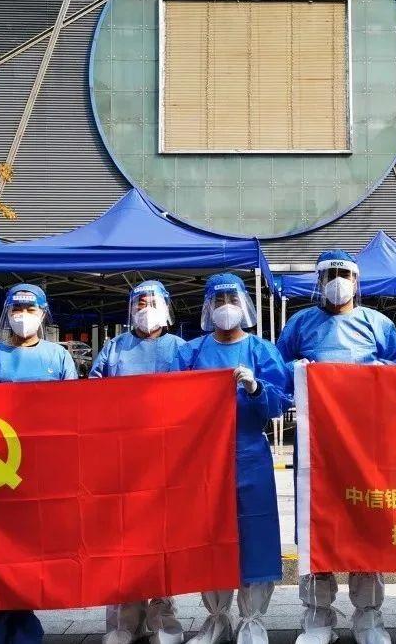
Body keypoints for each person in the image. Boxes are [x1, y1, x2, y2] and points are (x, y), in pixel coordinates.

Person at [276, 250, 396, 644]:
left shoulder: (378, 324)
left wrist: (382, 372)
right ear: (318, 281)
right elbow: (278, 373)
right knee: (317, 526)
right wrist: (297, 372)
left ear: (356, 280)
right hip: (316, 446)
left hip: (366, 443)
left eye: (343, 274)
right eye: (329, 274)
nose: (336, 282)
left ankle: (369, 619)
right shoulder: (300, 324)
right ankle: (317, 620)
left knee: (366, 523)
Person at [172, 273, 291, 644]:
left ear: (245, 305)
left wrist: (256, 388)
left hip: (250, 454)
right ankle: (217, 619)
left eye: (232, 300)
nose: (226, 308)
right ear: (208, 307)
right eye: (219, 300)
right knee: (210, 534)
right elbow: (171, 401)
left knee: (255, 534)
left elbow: (279, 403)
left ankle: (252, 621)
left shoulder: (261, 350)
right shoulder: (190, 352)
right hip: (204, 458)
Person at [0, 283, 77, 644]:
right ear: (6, 313)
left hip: (40, 472)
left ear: (43, 314)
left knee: (29, 553)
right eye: (16, 309)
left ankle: (26, 626)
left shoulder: (58, 357)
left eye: (30, 309)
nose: (22, 316)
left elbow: (74, 411)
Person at [92, 281, 187, 644]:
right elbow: (93, 394)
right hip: (122, 458)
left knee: (162, 541)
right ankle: (123, 623)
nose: (146, 309)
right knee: (122, 541)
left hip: (166, 458)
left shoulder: (180, 348)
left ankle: (164, 621)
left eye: (153, 302)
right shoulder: (115, 347)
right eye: (140, 303)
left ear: (166, 307)